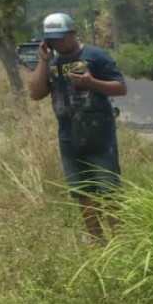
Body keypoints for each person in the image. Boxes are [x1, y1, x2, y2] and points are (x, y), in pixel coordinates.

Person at [27, 12, 129, 239]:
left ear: (73, 33)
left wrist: (91, 82)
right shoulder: (50, 63)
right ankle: (97, 240)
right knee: (83, 192)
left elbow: (120, 87)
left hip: (99, 135)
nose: (57, 43)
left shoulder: (95, 56)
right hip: (68, 137)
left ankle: (121, 241)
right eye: (52, 40)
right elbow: (35, 93)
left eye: (61, 38)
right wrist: (43, 61)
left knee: (109, 190)